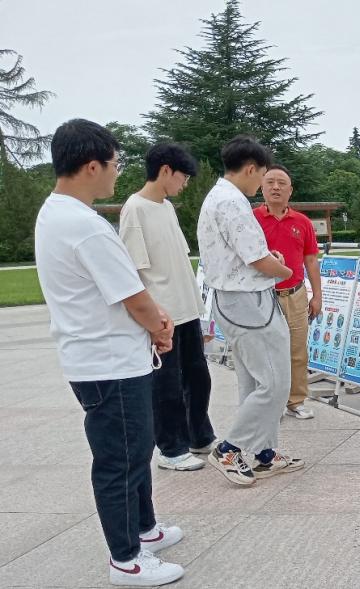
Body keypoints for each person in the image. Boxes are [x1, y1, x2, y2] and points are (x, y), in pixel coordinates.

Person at [35, 119, 185, 585]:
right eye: (115, 164)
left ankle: (145, 529)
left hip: (100, 357)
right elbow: (133, 297)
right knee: (120, 457)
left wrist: (155, 320)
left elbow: (124, 290)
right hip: (109, 363)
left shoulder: (56, 213)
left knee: (135, 449)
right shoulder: (85, 226)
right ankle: (127, 558)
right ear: (91, 166)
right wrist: (160, 327)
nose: (118, 173)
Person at [197, 136, 304, 486]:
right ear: (250, 169)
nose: (263, 185)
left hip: (234, 300)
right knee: (275, 382)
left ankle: (263, 453)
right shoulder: (232, 202)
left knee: (254, 380)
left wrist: (270, 261)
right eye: (262, 177)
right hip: (248, 302)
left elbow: (245, 254)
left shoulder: (217, 197)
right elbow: (256, 258)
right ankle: (230, 448)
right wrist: (284, 270)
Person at [118, 143, 217, 472]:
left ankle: (199, 435)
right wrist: (151, 319)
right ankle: (171, 448)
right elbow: (134, 271)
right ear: (165, 171)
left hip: (186, 310)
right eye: (183, 177)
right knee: (167, 385)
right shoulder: (135, 209)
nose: (185, 184)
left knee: (198, 378)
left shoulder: (166, 207)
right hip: (164, 315)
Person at [254, 164, 322, 420]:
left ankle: (296, 401)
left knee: (297, 351)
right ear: (261, 187)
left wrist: (317, 295)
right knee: (264, 352)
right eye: (270, 182)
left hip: (295, 294)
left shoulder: (302, 222)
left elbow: (311, 260)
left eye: (282, 183)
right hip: (262, 296)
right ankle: (268, 403)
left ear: (290, 190)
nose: (276, 187)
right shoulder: (251, 219)